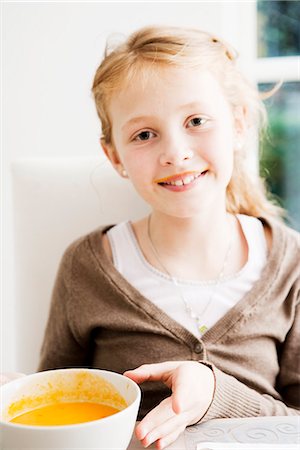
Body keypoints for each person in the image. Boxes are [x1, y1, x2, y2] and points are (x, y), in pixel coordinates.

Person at [4, 26, 300, 449]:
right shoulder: (88, 266)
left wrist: (214, 393)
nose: (175, 152)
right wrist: (20, 396)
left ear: (238, 124)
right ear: (114, 156)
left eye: (196, 121)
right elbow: (59, 403)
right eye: (145, 134)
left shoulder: (291, 264)